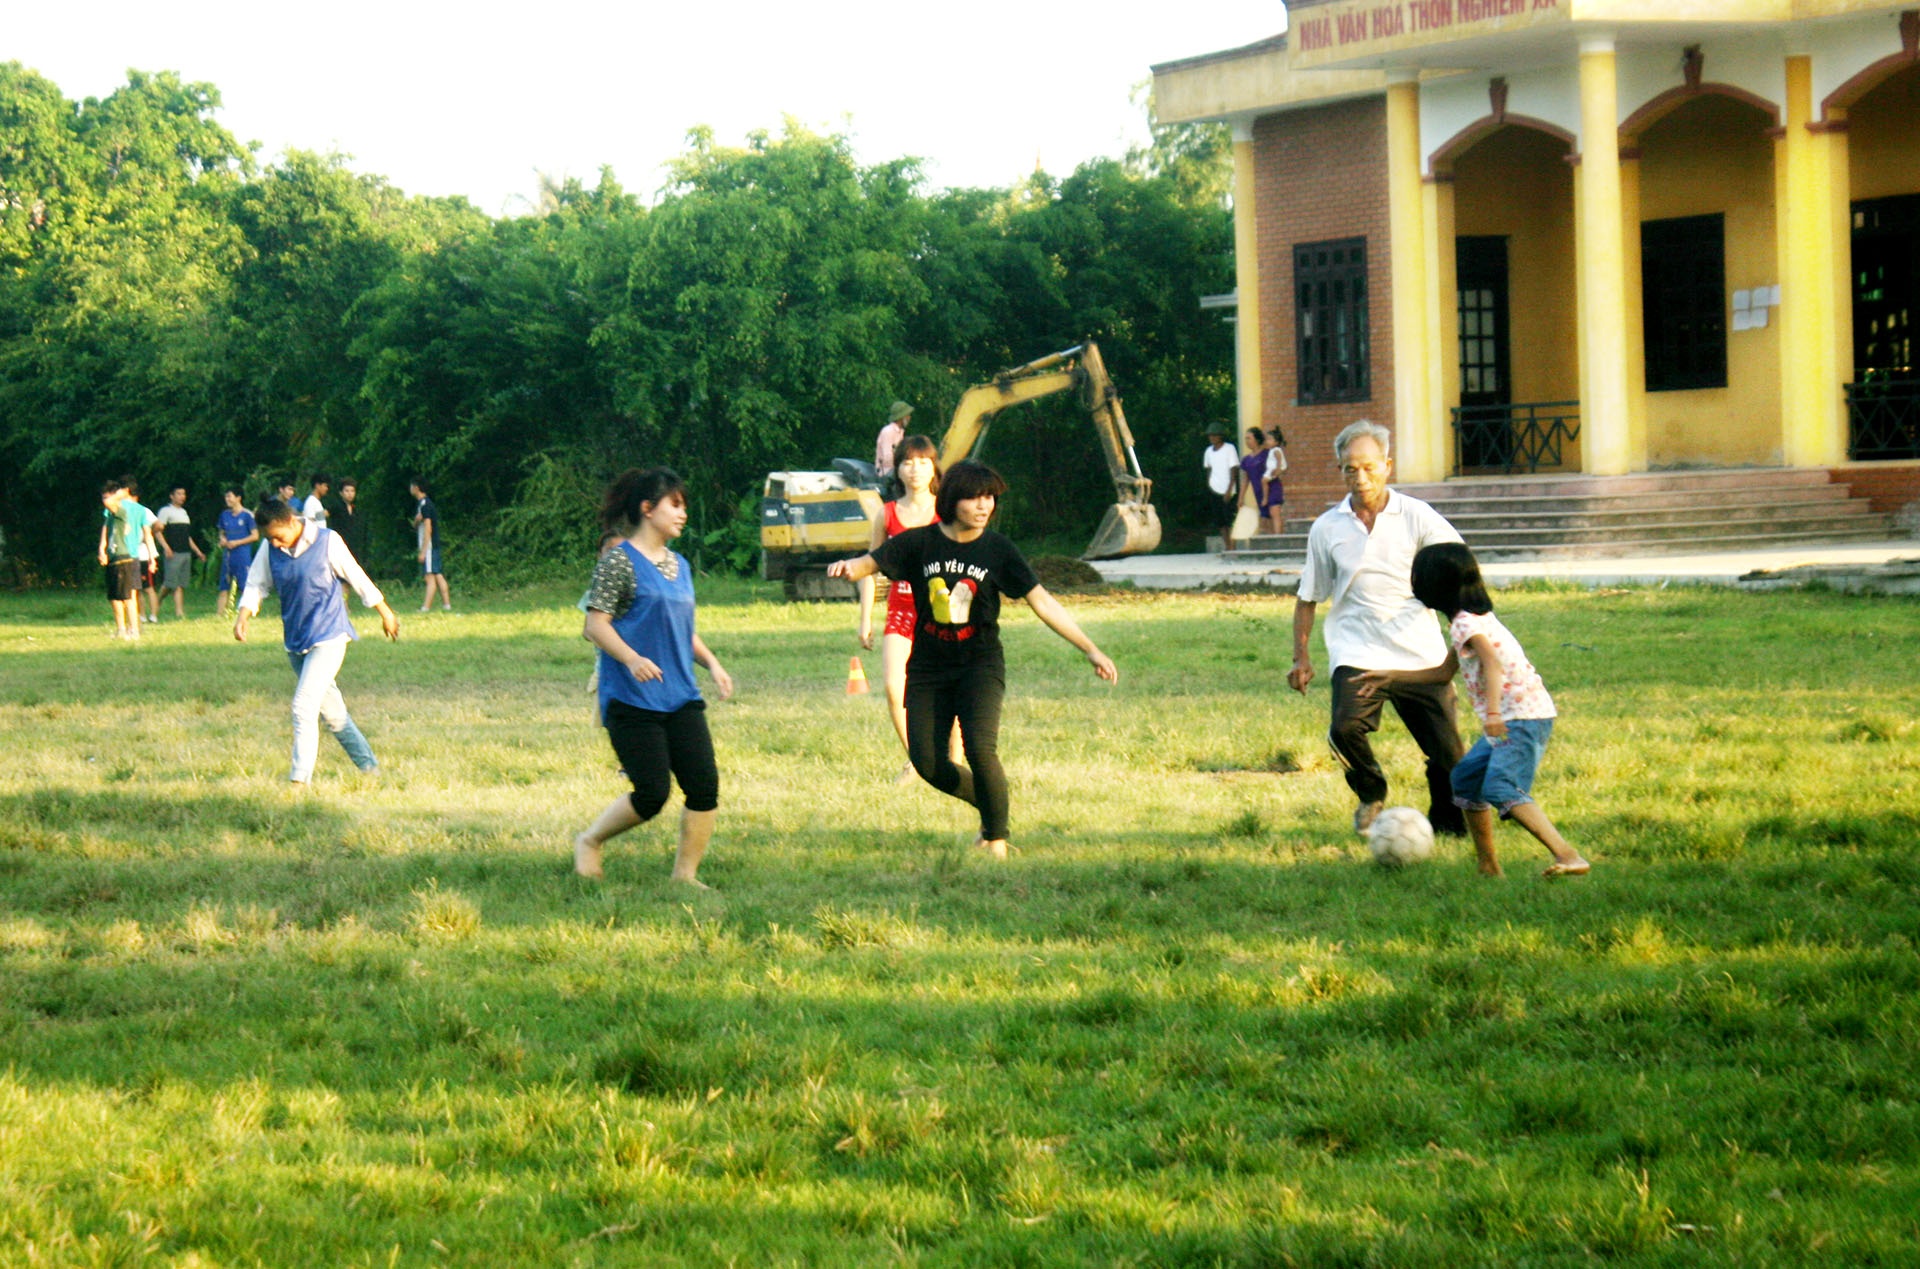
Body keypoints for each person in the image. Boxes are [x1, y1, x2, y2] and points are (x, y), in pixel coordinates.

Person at [827, 460, 1118, 859]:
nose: (984, 506)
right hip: (928, 669)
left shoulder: (998, 549)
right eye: (974, 498)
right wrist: (849, 568)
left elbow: (1042, 601)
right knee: (928, 763)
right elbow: (872, 562)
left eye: (990, 498)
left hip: (980, 666)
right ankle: (991, 804)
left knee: (981, 750)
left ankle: (995, 838)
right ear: (952, 500)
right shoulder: (919, 543)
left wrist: (1090, 648)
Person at [1358, 543, 1590, 880]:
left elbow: (1492, 663)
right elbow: (1441, 674)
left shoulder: (1467, 624)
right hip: (1518, 715)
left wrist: (1493, 714)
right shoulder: (1467, 620)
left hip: (1520, 717)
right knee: (1465, 779)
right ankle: (1488, 866)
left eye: (1417, 575)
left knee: (1500, 787)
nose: (1413, 582)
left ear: (1437, 583)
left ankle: (1568, 855)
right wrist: (1392, 677)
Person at [1289, 419, 1468, 838]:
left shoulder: (1418, 516)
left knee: (1450, 757)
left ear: (1387, 465)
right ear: (1340, 470)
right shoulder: (1327, 527)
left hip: (1419, 656)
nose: (1360, 477)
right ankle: (1371, 792)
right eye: (1350, 468)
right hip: (1359, 653)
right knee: (1344, 729)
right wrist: (1302, 656)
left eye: (1369, 467)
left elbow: (1460, 572)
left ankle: (1447, 823)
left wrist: (1461, 642)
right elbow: (1308, 596)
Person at [573, 468, 735, 887]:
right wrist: (631, 659)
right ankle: (590, 841)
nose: (683, 514)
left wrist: (713, 664)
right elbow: (596, 625)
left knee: (704, 787)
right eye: (675, 505)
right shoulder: (618, 562)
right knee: (652, 794)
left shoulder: (679, 565)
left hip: (681, 694)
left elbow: (680, 629)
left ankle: (685, 877)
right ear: (648, 509)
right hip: (632, 698)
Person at [233, 499, 399, 786]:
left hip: (329, 635)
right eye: (269, 538)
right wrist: (243, 616)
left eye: (277, 536)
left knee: (303, 705)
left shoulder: (327, 541)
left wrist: (385, 612)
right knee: (334, 715)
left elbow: (356, 576)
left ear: (291, 522)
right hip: (296, 642)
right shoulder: (270, 549)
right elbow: (256, 584)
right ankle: (371, 769)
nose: (273, 543)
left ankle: (299, 782)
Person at [855, 434, 962, 782]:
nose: (915, 469)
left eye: (922, 462)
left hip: (943, 610)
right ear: (897, 469)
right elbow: (868, 568)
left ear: (933, 468)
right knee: (892, 685)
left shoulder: (948, 511)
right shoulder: (886, 514)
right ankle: (917, 759)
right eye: (907, 462)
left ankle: (955, 759)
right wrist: (865, 619)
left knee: (950, 687)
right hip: (901, 608)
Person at [97, 478, 154, 640]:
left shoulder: (123, 510)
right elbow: (105, 529)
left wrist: (152, 557)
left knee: (129, 595)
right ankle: (121, 629)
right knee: (115, 596)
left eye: (108, 496)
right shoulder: (112, 514)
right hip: (114, 556)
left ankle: (133, 629)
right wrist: (102, 549)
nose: (105, 500)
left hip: (128, 556)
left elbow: (148, 534)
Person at [154, 485, 206, 618]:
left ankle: (179, 612)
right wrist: (166, 548)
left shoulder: (184, 513)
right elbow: (157, 532)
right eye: (179, 494)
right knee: (169, 584)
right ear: (172, 496)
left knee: (180, 584)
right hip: (173, 552)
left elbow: (186, 536)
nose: (182, 496)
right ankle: (157, 602)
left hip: (185, 552)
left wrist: (197, 551)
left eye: (184, 494)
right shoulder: (165, 511)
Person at [215, 487, 259, 619]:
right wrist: (222, 540)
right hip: (228, 555)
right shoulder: (225, 515)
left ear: (238, 498)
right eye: (226, 497)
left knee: (245, 586)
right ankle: (219, 614)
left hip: (242, 555)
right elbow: (221, 532)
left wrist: (237, 542)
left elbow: (255, 536)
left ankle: (247, 613)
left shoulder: (247, 515)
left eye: (230, 496)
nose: (227, 499)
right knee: (224, 585)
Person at [410, 478, 452, 612]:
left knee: (429, 578)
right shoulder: (423, 504)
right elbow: (418, 525)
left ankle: (425, 607)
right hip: (433, 545)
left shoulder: (425, 505)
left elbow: (428, 528)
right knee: (438, 574)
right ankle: (447, 605)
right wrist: (416, 521)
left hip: (429, 546)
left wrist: (423, 551)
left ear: (416, 487)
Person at [1202, 426, 1240, 548]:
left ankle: (1233, 546)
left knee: (1230, 519)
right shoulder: (1208, 451)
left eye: (1214, 435)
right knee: (1220, 521)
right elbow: (1208, 468)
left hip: (1228, 489)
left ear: (1220, 436)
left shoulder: (1229, 448)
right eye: (1210, 435)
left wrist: (1229, 490)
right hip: (1215, 489)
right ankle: (1227, 545)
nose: (1212, 438)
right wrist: (1209, 483)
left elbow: (1234, 469)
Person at [1238, 428, 1272, 541]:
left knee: (1269, 515)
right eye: (1245, 439)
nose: (1247, 441)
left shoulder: (1266, 455)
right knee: (1263, 515)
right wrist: (1241, 498)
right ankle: (1265, 540)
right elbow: (1245, 480)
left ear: (1257, 439)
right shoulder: (1246, 460)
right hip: (1257, 492)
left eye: (1249, 438)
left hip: (1269, 490)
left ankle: (1271, 539)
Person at [875, 401, 912, 491]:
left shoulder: (900, 432)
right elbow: (887, 459)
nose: (909, 418)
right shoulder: (888, 432)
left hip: (896, 470)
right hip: (886, 473)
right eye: (907, 415)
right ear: (902, 417)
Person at [1262, 427, 1289, 535]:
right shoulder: (1271, 451)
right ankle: (1276, 533)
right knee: (1272, 513)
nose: (1267, 442)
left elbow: (1280, 461)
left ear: (1276, 442)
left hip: (1274, 480)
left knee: (1275, 512)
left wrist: (1278, 470)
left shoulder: (1276, 450)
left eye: (1270, 439)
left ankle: (1278, 534)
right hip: (1271, 477)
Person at [334, 479, 369, 562]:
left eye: (352, 491)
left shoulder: (356, 509)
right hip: (340, 546)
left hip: (354, 547)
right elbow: (320, 515)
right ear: (341, 493)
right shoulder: (336, 507)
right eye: (347, 491)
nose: (350, 494)